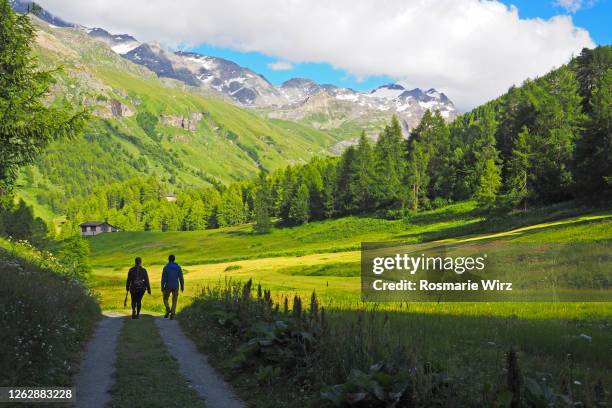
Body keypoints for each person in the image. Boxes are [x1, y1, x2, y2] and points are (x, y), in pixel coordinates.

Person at [161, 254, 184, 320]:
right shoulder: (178, 267)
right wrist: (182, 286)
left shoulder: (166, 267)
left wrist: (162, 286)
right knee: (174, 300)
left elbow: (163, 278)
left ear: (168, 259)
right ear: (174, 259)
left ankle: (167, 308)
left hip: (168, 286)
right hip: (175, 286)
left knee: (165, 298)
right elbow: (181, 277)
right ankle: (173, 314)